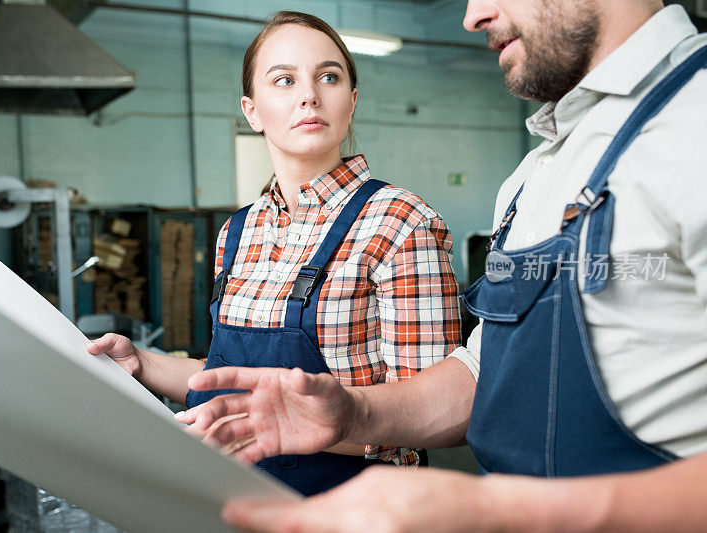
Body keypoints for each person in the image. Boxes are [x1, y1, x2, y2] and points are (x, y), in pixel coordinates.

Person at [179, 0, 707, 530]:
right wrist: (356, 413)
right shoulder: (532, 178)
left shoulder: (694, 123)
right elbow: (483, 373)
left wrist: (499, 510)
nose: (472, 15)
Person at [87, 11, 461, 497]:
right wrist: (142, 363)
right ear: (252, 111)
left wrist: (267, 425)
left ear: (351, 101)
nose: (309, 95)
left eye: (328, 77)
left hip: (360, 509)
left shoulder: (398, 222)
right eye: (283, 80)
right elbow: (227, 383)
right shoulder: (238, 231)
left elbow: (438, 414)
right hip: (239, 500)